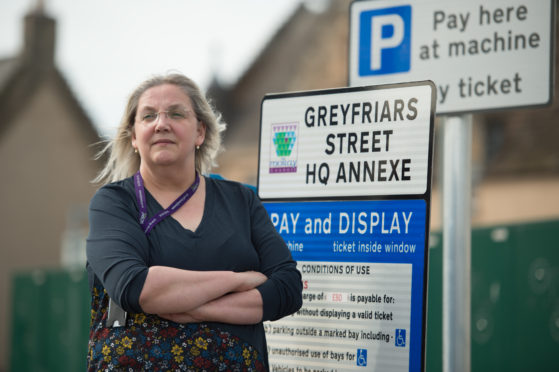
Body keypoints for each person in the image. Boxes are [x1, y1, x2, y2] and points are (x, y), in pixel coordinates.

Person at [86, 73, 303, 371]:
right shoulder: (114, 203)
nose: (162, 123)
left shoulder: (242, 201)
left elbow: (288, 289)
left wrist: (194, 308)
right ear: (134, 137)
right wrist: (239, 280)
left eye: (176, 113)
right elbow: (135, 286)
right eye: (148, 116)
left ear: (200, 131)